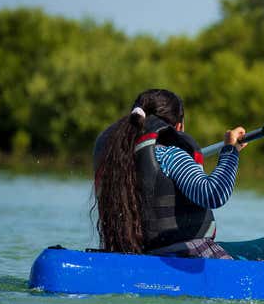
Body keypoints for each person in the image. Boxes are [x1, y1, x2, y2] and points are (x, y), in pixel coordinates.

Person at [92, 89, 246, 258]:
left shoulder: (118, 160)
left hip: (141, 253)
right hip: (185, 254)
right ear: (179, 127)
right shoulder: (169, 153)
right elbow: (214, 194)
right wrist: (230, 151)